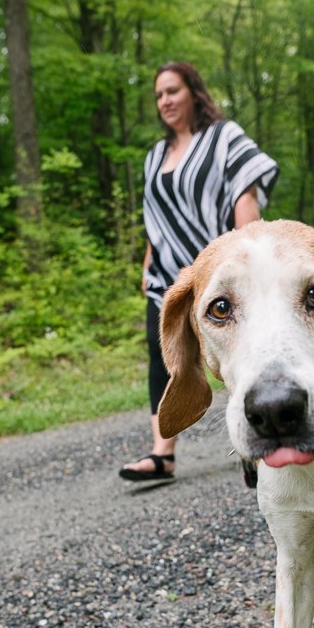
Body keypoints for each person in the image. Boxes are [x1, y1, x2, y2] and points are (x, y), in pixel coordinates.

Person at [119, 61, 279, 481]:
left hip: (220, 272)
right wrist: (149, 262)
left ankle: (253, 443)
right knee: (162, 355)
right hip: (169, 273)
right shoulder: (156, 154)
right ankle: (162, 453)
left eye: (172, 91)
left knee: (235, 351)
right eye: (158, 95)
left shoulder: (223, 137)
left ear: (193, 92)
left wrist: (251, 255)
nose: (165, 101)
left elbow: (245, 192)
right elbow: (156, 217)